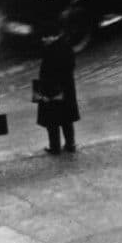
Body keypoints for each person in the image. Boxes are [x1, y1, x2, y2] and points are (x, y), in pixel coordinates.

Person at [36, 22, 80, 154]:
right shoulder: (67, 47)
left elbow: (47, 73)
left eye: (45, 37)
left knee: (52, 120)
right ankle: (70, 144)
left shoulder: (49, 50)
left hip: (51, 89)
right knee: (67, 119)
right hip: (67, 89)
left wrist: (40, 92)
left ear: (53, 37)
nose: (43, 39)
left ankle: (54, 147)